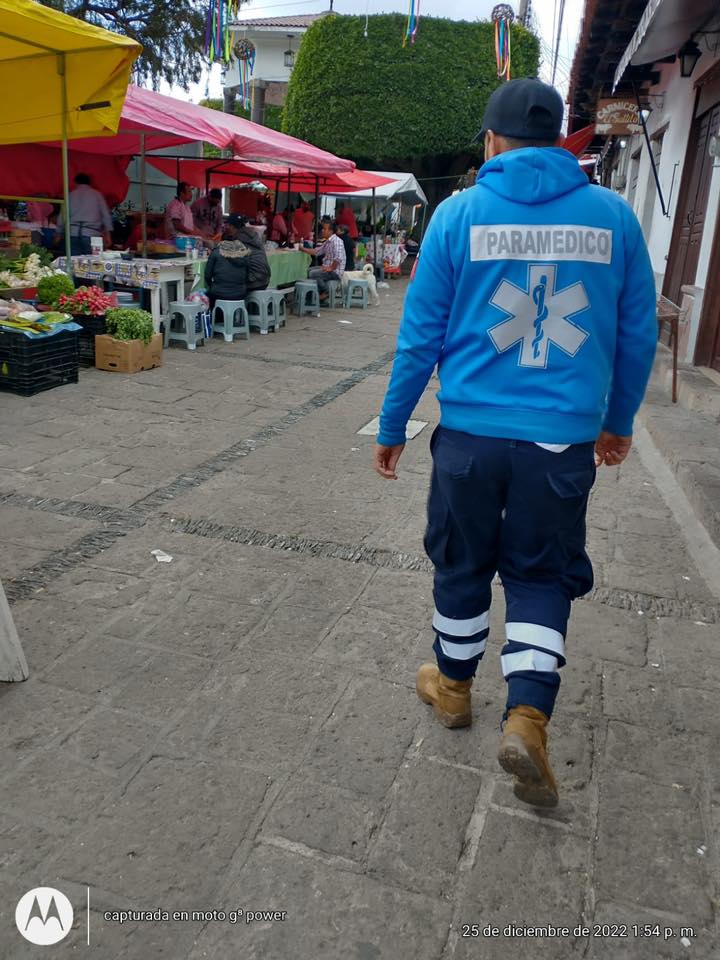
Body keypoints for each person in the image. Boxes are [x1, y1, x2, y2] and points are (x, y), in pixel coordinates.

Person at [373, 78, 657, 809]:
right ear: (562, 140)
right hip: (560, 445)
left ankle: (455, 688)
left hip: (469, 437)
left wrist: (393, 425)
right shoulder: (614, 219)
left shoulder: (458, 215)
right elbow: (635, 334)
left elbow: (419, 339)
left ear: (492, 142)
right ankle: (528, 717)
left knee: (461, 558)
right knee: (539, 573)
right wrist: (618, 422)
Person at [56, 173, 112, 255]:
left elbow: (62, 216)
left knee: (73, 263)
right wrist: (108, 234)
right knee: (92, 264)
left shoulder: (70, 195)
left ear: (76, 182)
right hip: (92, 234)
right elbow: (106, 216)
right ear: (90, 183)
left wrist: (58, 233)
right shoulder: (97, 195)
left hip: (72, 233)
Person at [203, 223, 251, 308]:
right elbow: (247, 275)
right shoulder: (244, 253)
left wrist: (213, 286)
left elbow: (207, 275)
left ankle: (217, 320)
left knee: (207, 296)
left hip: (219, 294)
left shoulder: (216, 252)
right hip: (240, 294)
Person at [228, 214, 271, 293]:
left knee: (228, 284)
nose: (227, 228)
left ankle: (238, 305)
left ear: (232, 226)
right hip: (266, 279)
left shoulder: (238, 239)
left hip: (254, 282)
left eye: (228, 225)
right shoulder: (254, 236)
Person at [309, 219, 345, 300]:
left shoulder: (336, 241)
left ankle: (326, 291)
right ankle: (316, 295)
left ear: (330, 231)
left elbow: (338, 257)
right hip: (328, 267)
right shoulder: (328, 241)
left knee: (313, 274)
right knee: (309, 270)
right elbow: (316, 252)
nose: (322, 230)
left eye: (324, 229)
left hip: (336, 272)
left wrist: (331, 268)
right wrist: (301, 249)